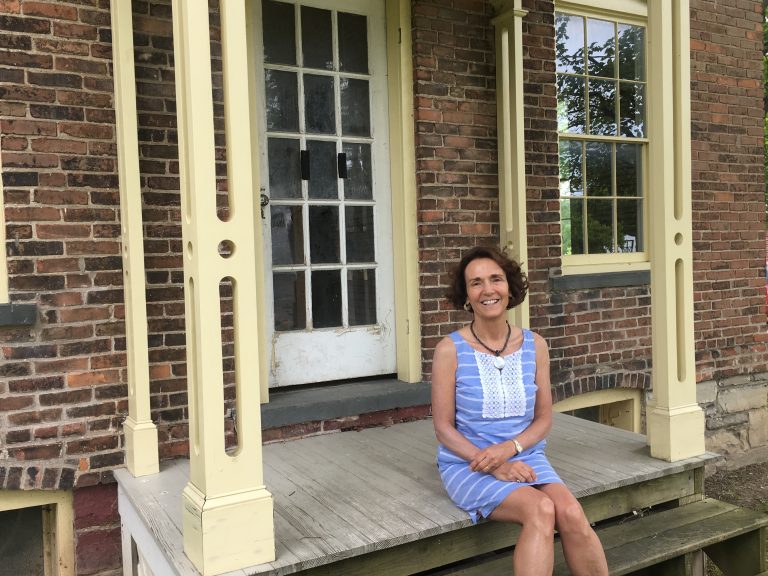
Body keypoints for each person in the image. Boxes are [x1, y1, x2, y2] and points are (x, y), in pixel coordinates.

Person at [431, 246, 608, 576]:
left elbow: (544, 419)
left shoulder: (535, 345)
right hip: (468, 463)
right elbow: (443, 429)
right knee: (541, 509)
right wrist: (494, 465)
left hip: (526, 456)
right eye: (476, 283)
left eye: (496, 279)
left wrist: (509, 450)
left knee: (569, 511)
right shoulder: (449, 350)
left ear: (510, 288)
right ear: (466, 296)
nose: (488, 290)